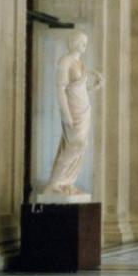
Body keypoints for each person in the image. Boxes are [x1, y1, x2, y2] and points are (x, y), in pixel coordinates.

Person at [42, 30, 103, 197]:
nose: (84, 45)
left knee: (80, 146)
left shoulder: (80, 63)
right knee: (73, 145)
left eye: (86, 42)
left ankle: (66, 182)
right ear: (74, 42)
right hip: (72, 111)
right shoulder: (65, 62)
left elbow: (79, 89)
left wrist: (94, 87)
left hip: (83, 111)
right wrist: (65, 114)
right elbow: (61, 90)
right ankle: (53, 183)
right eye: (82, 41)